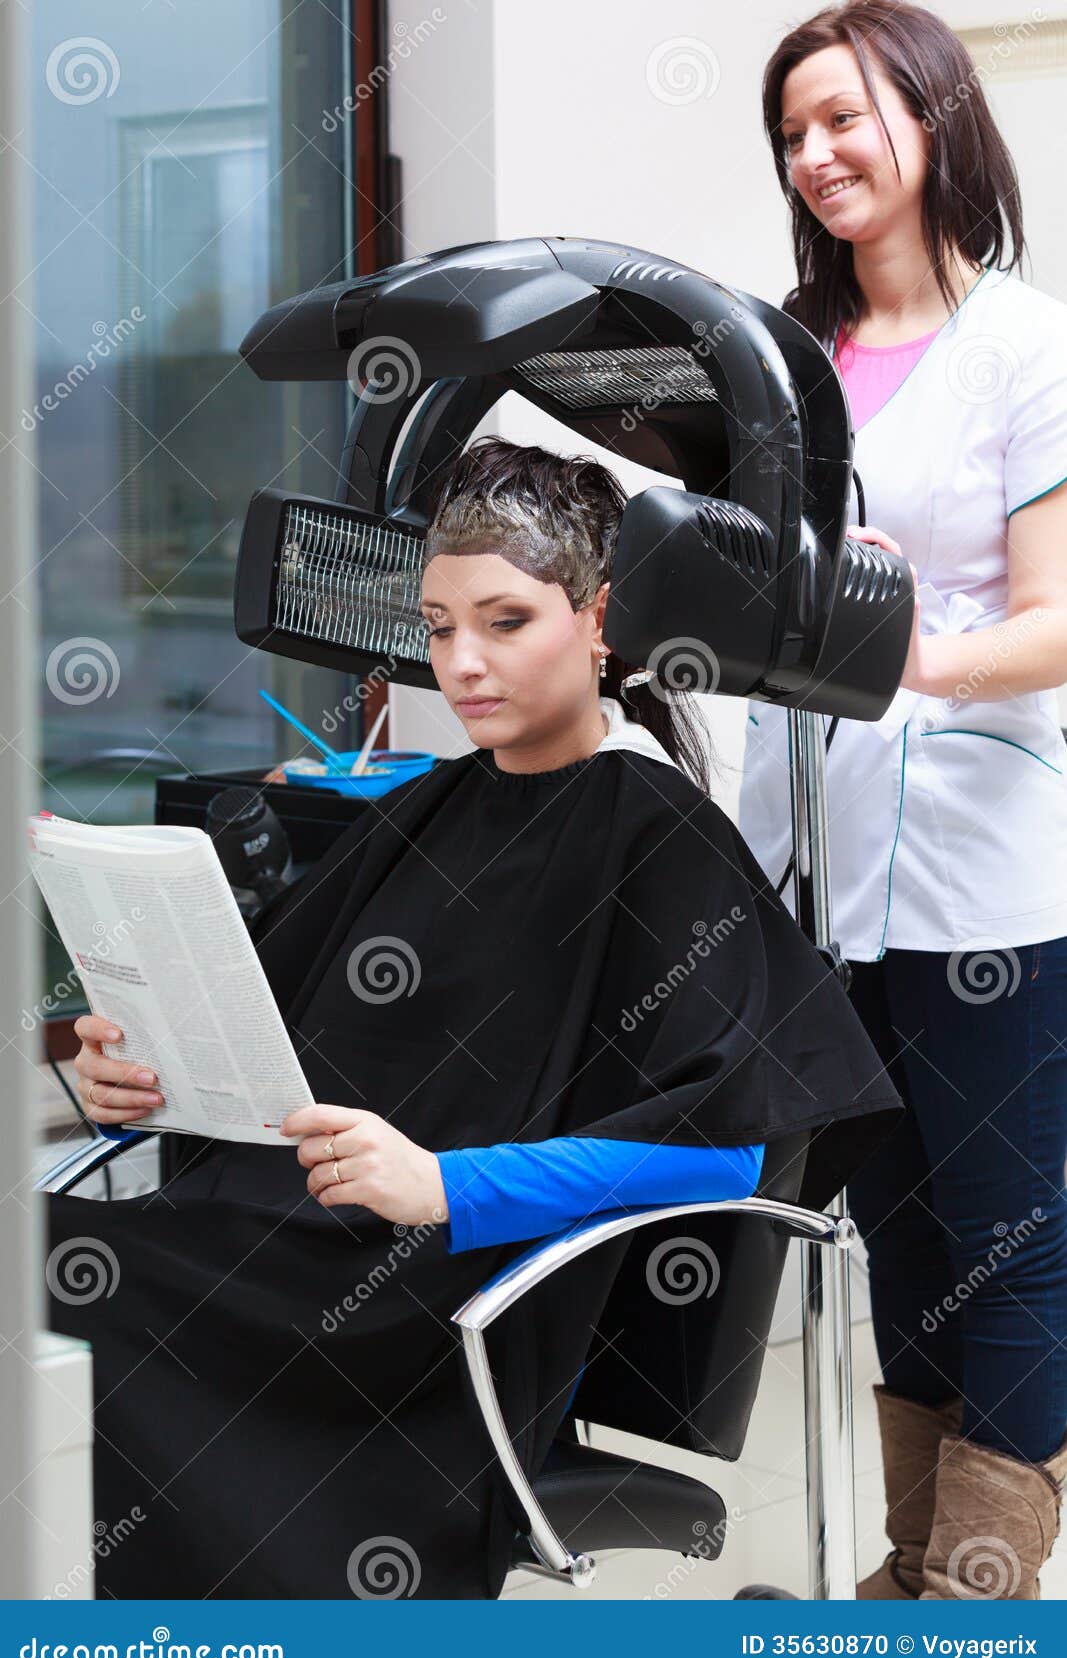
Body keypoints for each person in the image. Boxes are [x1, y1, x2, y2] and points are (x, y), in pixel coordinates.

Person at [44, 436, 904, 1599]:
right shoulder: (429, 804)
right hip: (294, 1245)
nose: (459, 662)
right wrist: (135, 1069)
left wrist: (445, 1188)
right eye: (438, 626)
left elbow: (726, 1149)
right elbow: (263, 1028)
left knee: (88, 1285)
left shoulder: (657, 830)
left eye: (503, 621)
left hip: (444, 1307)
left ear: (596, 619)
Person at [743, 1, 1067, 1601]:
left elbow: (1055, 614)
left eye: (841, 118)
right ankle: (904, 1569)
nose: (813, 155)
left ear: (929, 114)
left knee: (1012, 1231)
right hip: (816, 855)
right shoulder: (775, 357)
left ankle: (979, 1604)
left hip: (976, 861)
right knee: (900, 1232)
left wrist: (900, 659)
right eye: (790, 133)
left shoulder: (1024, 340)